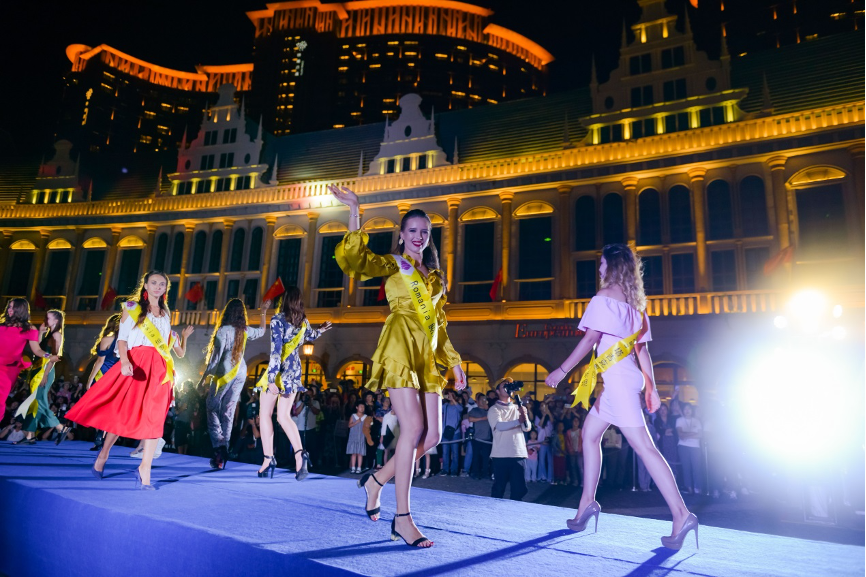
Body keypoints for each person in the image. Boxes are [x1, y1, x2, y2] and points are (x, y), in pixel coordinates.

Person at [332, 184, 465, 549]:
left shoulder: (435, 277)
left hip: (427, 353)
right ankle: (403, 518)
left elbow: (440, 325)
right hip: (401, 343)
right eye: (413, 231)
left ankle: (376, 480)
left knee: (432, 436)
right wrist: (355, 210)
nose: (419, 236)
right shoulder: (394, 264)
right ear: (402, 235)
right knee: (413, 428)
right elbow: (358, 260)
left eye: (425, 232)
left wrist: (454, 362)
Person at [545, 244, 697, 550]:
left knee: (645, 448)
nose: (599, 268)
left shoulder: (604, 297)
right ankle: (587, 503)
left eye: (602, 264)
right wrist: (651, 388)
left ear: (613, 267)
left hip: (619, 384)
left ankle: (682, 515)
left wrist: (561, 370)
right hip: (622, 381)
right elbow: (642, 350)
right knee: (589, 434)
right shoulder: (636, 304)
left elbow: (591, 338)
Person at [66, 271, 194, 490]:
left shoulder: (166, 313)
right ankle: (103, 454)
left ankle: (145, 469)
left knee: (155, 417)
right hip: (136, 363)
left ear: (166, 288)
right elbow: (123, 339)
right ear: (145, 285)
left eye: (162, 284)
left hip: (159, 368)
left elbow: (167, 346)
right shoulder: (132, 308)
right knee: (124, 413)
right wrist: (124, 361)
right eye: (154, 283)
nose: (158, 287)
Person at [257, 286, 331, 480]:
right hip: (293, 371)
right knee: (284, 417)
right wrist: (321, 330)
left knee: (265, 414)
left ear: (283, 301)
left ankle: (268, 459)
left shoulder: (278, 320)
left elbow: (276, 350)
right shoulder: (303, 321)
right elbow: (311, 336)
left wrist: (271, 378)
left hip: (280, 370)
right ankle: (300, 455)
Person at [200, 298, 270, 469]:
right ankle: (224, 449)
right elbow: (262, 331)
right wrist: (263, 312)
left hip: (225, 372)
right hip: (240, 371)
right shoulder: (244, 330)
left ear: (227, 313)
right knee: (228, 411)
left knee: (212, 406)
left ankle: (219, 446)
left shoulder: (223, 330)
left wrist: (204, 378)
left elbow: (215, 358)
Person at [0, 299, 60, 411]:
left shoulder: (29, 329)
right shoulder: (1, 326)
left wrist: (49, 356)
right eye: (9, 307)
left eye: (13, 307)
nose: (10, 310)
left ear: (21, 309)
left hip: (8, 370)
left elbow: (37, 350)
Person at [21, 310, 67, 444]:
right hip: (38, 369)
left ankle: (60, 427)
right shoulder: (50, 334)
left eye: (48, 318)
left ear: (56, 320)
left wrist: (45, 374)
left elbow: (53, 358)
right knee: (35, 402)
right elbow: (38, 350)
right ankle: (30, 435)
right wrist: (40, 332)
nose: (45, 320)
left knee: (39, 401)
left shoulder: (57, 334)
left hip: (45, 370)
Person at [82, 314, 122, 451]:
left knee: (99, 408)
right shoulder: (126, 342)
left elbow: (100, 361)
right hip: (115, 378)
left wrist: (89, 380)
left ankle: (99, 436)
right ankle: (101, 436)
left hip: (103, 377)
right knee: (108, 409)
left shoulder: (107, 339)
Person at [488, 378, 531, 501]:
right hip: (500, 455)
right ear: (497, 391)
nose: (508, 388)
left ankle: (514, 511)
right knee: (499, 489)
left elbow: (527, 428)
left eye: (509, 385)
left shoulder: (518, 407)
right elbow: (499, 426)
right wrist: (518, 421)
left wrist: (524, 415)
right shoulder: (494, 409)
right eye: (504, 386)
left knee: (519, 489)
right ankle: (494, 511)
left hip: (518, 454)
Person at [676, 403, 703, 495]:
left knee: (697, 468)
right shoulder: (679, 420)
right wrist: (693, 433)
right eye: (685, 409)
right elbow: (680, 435)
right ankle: (689, 488)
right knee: (686, 468)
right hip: (683, 446)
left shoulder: (697, 421)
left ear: (692, 410)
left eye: (689, 409)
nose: (687, 411)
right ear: (683, 411)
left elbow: (700, 435)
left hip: (695, 446)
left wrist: (686, 434)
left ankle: (697, 487)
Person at [467, 393, 492, 479]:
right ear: (477, 401)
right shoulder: (475, 410)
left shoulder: (490, 410)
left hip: (487, 438)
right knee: (476, 457)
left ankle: (485, 473)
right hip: (476, 437)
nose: (483, 401)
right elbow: (470, 419)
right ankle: (475, 473)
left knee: (486, 457)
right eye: (481, 400)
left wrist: (487, 409)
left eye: (485, 399)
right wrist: (482, 418)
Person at [440, 389, 463, 476]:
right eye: (449, 395)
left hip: (455, 432)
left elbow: (461, 409)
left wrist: (453, 399)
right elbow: (438, 408)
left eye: (451, 394)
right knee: (445, 452)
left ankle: (454, 470)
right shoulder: (445, 406)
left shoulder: (458, 405)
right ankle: (445, 469)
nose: (449, 396)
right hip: (446, 431)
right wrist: (442, 396)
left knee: (455, 452)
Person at [347, 400, 369, 473]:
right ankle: (353, 467)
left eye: (363, 407)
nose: (362, 408)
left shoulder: (365, 417)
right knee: (354, 453)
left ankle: (359, 468)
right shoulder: (353, 416)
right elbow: (349, 425)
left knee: (360, 453)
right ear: (357, 407)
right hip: (353, 437)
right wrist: (356, 422)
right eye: (360, 407)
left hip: (361, 437)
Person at [566, 416, 583, 487]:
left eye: (577, 421)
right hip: (572, 451)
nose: (576, 422)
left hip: (580, 451)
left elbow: (583, 442)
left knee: (580, 466)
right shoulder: (568, 432)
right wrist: (570, 450)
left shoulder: (581, 431)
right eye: (574, 421)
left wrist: (582, 450)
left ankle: (583, 481)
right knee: (573, 466)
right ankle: (575, 481)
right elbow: (567, 442)